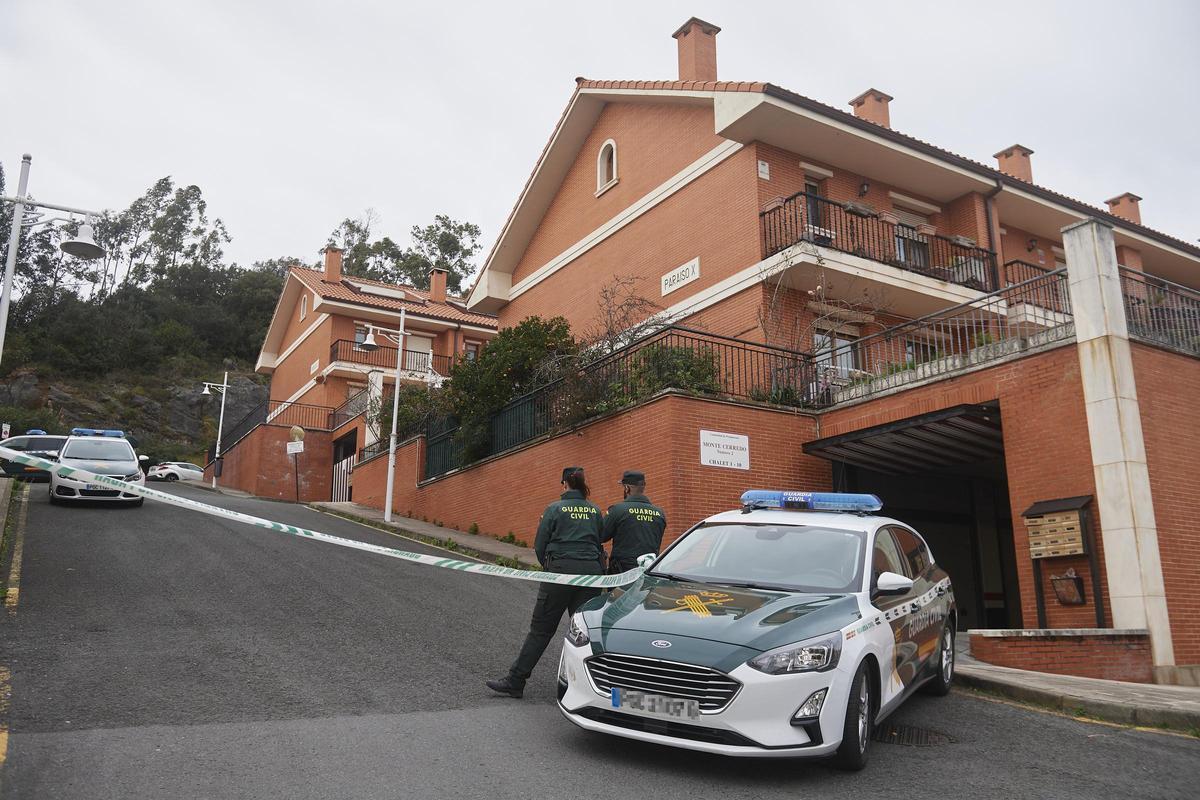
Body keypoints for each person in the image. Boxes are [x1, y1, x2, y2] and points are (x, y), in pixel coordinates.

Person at [486, 466, 604, 699]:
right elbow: (599, 540)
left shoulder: (554, 509)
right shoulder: (595, 511)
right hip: (591, 575)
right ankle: (594, 687)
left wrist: (550, 569)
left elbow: (540, 545)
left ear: (564, 484)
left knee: (541, 630)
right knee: (588, 632)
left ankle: (516, 681)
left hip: (559, 574)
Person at [601, 470, 667, 574]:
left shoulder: (618, 510)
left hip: (623, 574)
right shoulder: (659, 513)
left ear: (627, 488)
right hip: (649, 571)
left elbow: (601, 536)